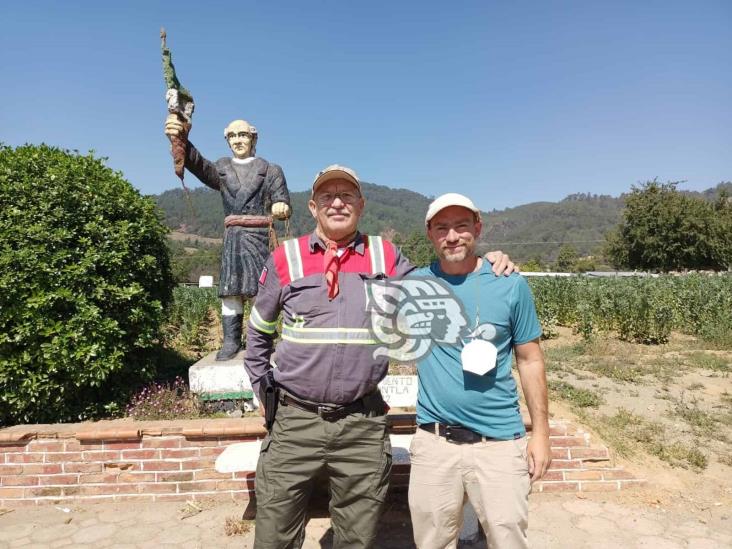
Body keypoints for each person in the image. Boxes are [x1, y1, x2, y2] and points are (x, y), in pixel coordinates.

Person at [244, 166, 516, 548]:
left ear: (361, 204)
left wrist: (486, 262)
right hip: (294, 423)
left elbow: (440, 283)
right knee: (274, 536)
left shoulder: (384, 255)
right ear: (312, 206)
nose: (337, 202)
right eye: (327, 196)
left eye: (347, 195)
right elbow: (258, 332)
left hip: (362, 424)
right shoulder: (285, 258)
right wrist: (264, 392)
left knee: (357, 538)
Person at [408, 193, 550, 549]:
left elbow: (531, 359)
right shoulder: (414, 287)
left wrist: (542, 435)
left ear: (478, 228)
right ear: (430, 233)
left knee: (507, 541)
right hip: (435, 444)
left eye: (461, 226)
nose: (452, 236)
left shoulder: (510, 283)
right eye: (442, 228)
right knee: (431, 543)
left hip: (500, 445)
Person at [164, 114, 291, 360]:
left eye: (242, 134)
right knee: (230, 290)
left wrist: (281, 206)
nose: (237, 140)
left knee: (260, 292)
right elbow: (197, 164)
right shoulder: (222, 168)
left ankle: (262, 342)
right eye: (232, 136)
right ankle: (231, 342)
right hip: (233, 238)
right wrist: (179, 137)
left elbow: (281, 199)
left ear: (253, 137)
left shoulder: (271, 170)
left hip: (259, 238)